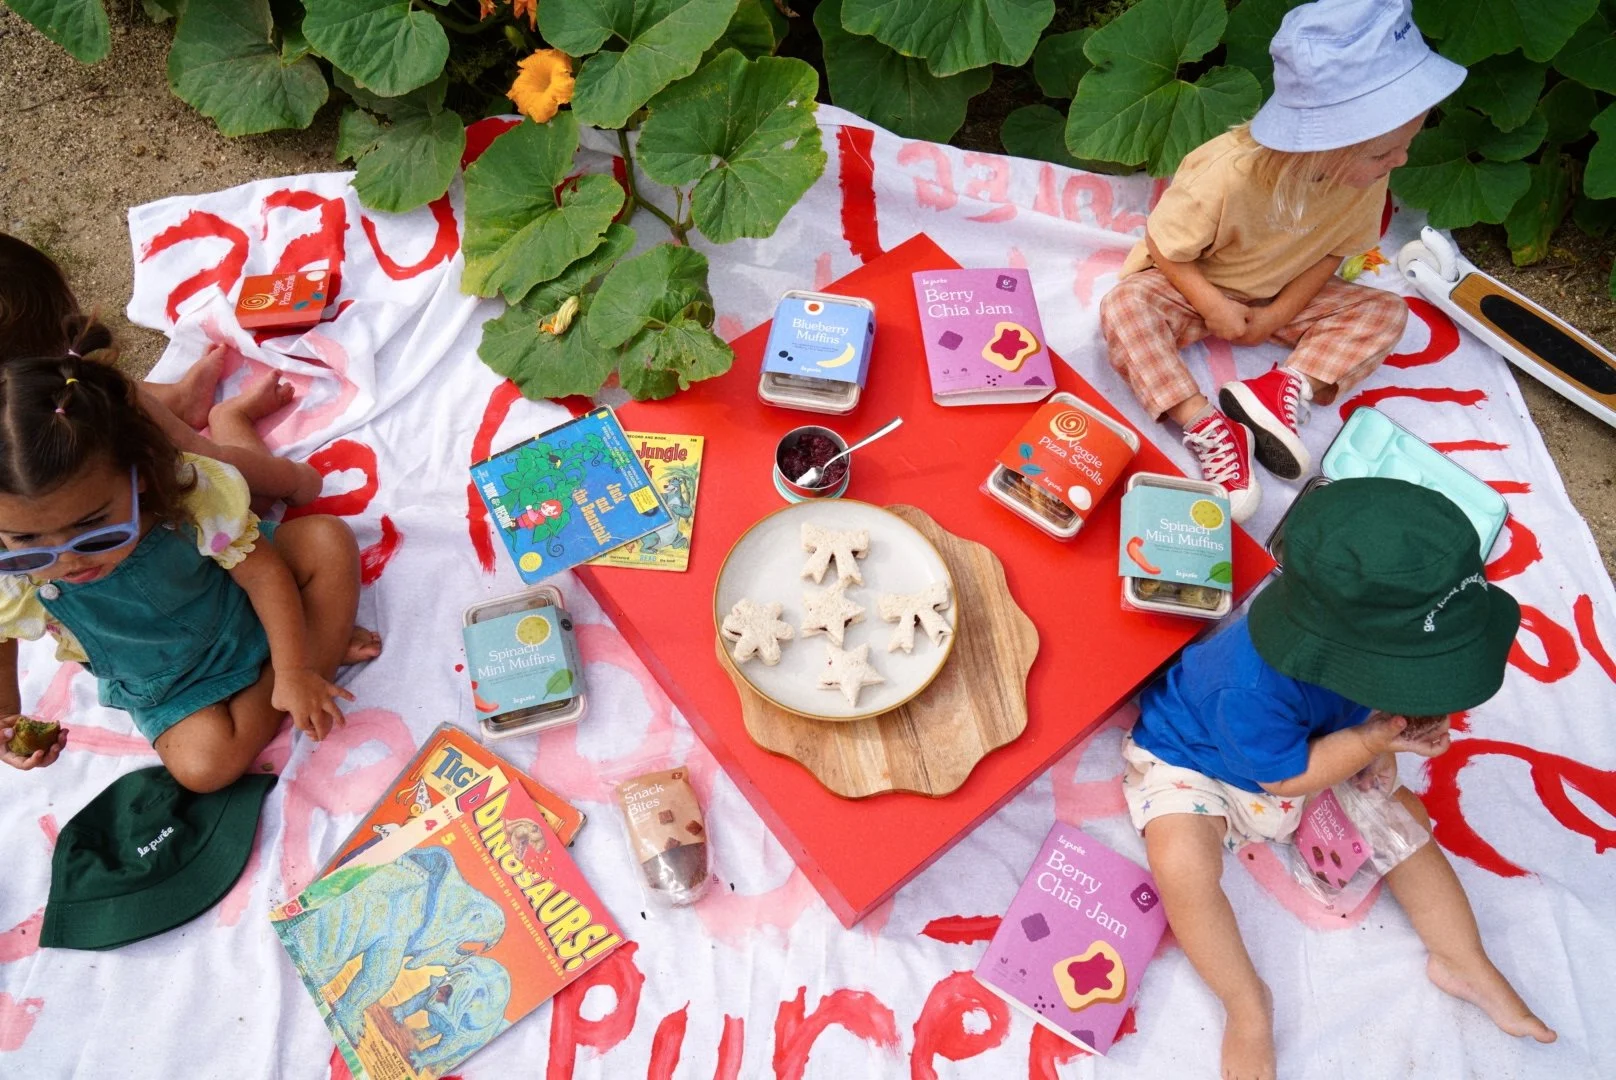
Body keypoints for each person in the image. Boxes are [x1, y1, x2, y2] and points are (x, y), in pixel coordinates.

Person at [1122, 478, 1555, 1080]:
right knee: (1180, 864)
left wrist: (1388, 743)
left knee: (1406, 827)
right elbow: (1285, 778)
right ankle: (1246, 1006)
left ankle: (1462, 959)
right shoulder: (1246, 685)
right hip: (1205, 762)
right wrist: (1371, 741)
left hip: (1325, 748)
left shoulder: (1357, 640)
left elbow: (1375, 707)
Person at [1099, 0, 1457, 522]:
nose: (1399, 161)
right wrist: (1212, 305)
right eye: (1384, 154)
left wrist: (1277, 315)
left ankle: (1279, 389)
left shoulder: (1364, 176)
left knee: (1387, 313)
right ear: (1325, 145)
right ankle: (1206, 423)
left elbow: (1333, 252)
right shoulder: (1226, 174)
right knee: (1125, 306)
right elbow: (1163, 244)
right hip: (1193, 285)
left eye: (1406, 145)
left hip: (1279, 290)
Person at [0, 357, 381, 791]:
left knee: (327, 540)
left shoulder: (188, 491)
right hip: (172, 681)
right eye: (26, 541)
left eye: (93, 529)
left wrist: (294, 671)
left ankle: (300, 662)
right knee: (204, 770)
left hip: (240, 599)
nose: (68, 560)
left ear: (139, 476)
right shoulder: (9, 576)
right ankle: (314, 646)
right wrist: (6, 716)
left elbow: (263, 575)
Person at [0, 232, 322, 509]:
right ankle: (231, 417)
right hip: (163, 522)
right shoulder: (96, 399)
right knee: (253, 497)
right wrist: (292, 479)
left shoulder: (66, 390)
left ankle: (180, 399)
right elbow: (216, 463)